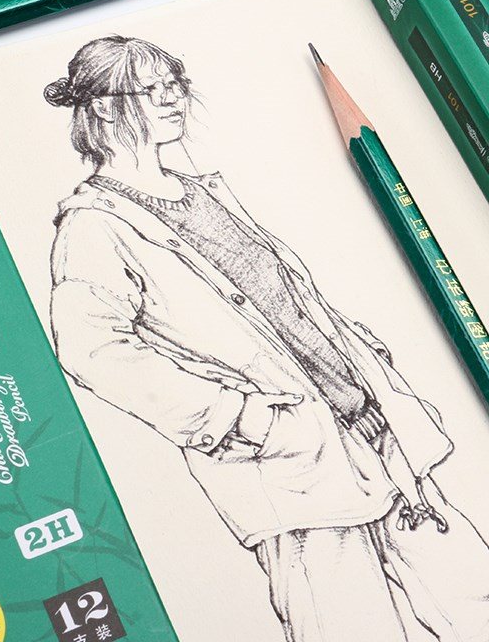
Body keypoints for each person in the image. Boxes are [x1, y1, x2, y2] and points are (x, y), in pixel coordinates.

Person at [44, 35, 489, 642]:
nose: (173, 99)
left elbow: (284, 305)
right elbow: (92, 350)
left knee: (474, 599)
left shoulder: (203, 191)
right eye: (152, 89)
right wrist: (242, 420)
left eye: (176, 84)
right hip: (291, 471)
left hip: (374, 432)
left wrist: (361, 354)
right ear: (101, 106)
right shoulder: (94, 226)